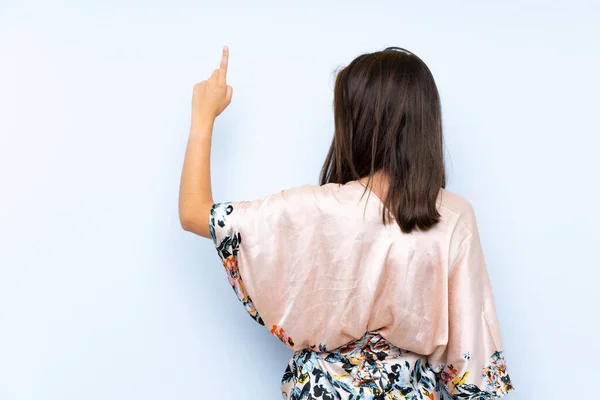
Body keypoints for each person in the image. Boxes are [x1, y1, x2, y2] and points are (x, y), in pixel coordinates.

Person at [179, 46, 515, 400]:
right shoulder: (452, 217)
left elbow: (194, 211)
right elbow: (476, 372)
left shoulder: (315, 209)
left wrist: (203, 117)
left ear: (355, 122)